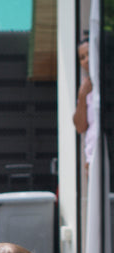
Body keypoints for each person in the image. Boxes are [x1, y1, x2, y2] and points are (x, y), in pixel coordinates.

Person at [73, 37, 96, 171]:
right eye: (82, 57)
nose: (86, 60)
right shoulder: (85, 87)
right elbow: (80, 127)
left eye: (89, 54)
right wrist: (82, 96)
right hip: (93, 158)